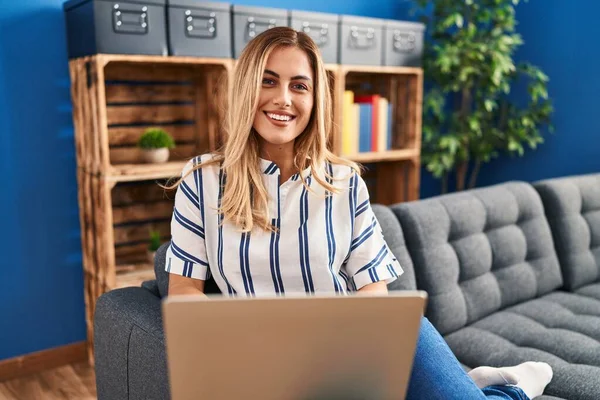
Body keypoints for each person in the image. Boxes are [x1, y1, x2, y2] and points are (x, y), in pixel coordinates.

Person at [164, 27, 553, 400]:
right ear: (247, 87)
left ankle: (500, 388)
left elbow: (373, 290)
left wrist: (367, 365)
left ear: (315, 100)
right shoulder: (202, 180)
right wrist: (221, 343)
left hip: (355, 350)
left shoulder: (344, 181)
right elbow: (183, 290)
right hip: (266, 361)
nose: (283, 98)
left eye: (299, 85)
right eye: (268, 81)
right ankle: (497, 389)